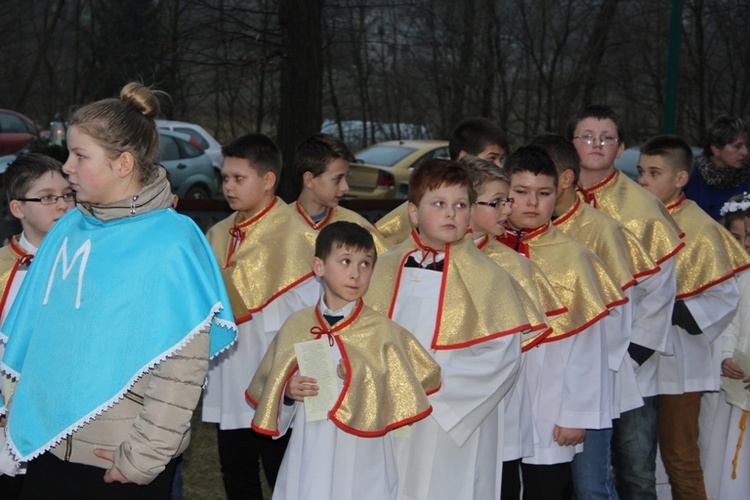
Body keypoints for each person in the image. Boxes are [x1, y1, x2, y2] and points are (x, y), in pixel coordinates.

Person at [0, 82, 237, 499]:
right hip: (44, 450)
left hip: (114, 461)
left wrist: (142, 458)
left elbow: (181, 368)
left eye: (80, 155)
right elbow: (33, 335)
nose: (67, 167)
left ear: (123, 163)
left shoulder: (171, 242)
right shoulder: (67, 229)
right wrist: (18, 414)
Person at [365, 158, 546, 499]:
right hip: (387, 412)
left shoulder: (491, 278)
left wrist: (429, 388)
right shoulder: (381, 269)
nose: (451, 214)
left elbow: (501, 358)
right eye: (439, 204)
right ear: (414, 213)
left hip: (452, 419)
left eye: (460, 205)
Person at [246, 221, 441, 499]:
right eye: (346, 261)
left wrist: (364, 377)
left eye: (365, 264)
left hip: (364, 454)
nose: (355, 274)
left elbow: (404, 392)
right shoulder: (298, 325)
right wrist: (288, 392)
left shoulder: (384, 332)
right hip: (310, 447)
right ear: (319, 266)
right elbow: (272, 394)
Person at [530, 133, 660, 500]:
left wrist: (583, 387)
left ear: (564, 180)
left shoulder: (603, 231)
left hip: (593, 379)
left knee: (592, 485)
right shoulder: (520, 235)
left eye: (543, 185)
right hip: (543, 383)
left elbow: (618, 312)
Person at [498, 145, 625, 500]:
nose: (532, 203)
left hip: (550, 403)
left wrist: (576, 413)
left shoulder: (575, 257)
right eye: (520, 193)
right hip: (499, 403)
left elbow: (589, 347)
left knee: (547, 489)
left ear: (559, 194)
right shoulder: (485, 250)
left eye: (543, 194)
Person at [570, 104, 683, 500]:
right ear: (572, 144)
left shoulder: (643, 207)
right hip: (567, 358)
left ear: (621, 149)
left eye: (606, 138)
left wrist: (633, 351)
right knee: (569, 466)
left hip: (630, 361)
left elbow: (661, 285)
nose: (596, 144)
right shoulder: (553, 200)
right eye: (586, 136)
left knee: (635, 468)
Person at [201, 132, 320, 499]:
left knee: (284, 472)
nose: (228, 187)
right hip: (230, 372)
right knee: (236, 472)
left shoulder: (299, 237)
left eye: (239, 178)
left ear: (268, 181)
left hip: (278, 378)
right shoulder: (219, 233)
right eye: (225, 178)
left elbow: (311, 317)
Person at [636, 135, 750, 500]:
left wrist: (674, 309)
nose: (643, 181)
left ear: (681, 178)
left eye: (654, 173)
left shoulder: (700, 228)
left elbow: (726, 294)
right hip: (637, 357)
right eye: (641, 172)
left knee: (680, 454)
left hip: (679, 360)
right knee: (635, 459)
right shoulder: (632, 222)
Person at [460, 153, 565, 499]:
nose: (509, 210)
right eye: (498, 202)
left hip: (500, 409)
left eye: (508, 200)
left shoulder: (515, 266)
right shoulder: (429, 261)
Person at [0, 153, 75, 497]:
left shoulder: (83, 261)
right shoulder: (3, 267)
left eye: (67, 194)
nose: (61, 205)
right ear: (18, 208)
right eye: (47, 197)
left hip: (66, 417)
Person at [375, 117, 509, 246]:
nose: (499, 166)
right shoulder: (419, 205)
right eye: (491, 159)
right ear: (464, 158)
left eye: (501, 159)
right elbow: (378, 241)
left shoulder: (497, 211)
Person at [701, 195, 750, 499]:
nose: (745, 245)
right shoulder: (741, 279)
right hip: (740, 385)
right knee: (733, 459)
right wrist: (727, 355)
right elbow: (730, 324)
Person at [292, 133, 389, 253]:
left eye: (346, 178)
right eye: (337, 179)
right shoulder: (280, 223)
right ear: (309, 180)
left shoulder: (356, 225)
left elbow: (387, 262)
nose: (345, 187)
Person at [685, 116, 750, 220]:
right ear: (716, 149)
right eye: (737, 147)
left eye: (746, 146)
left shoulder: (747, 179)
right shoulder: (688, 177)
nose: (745, 152)